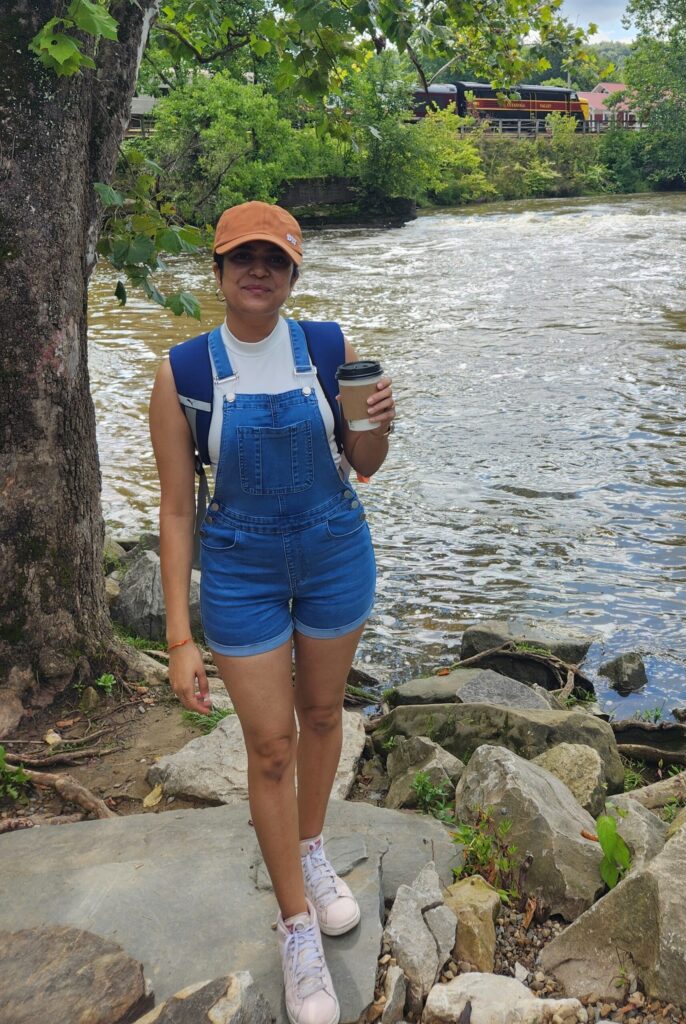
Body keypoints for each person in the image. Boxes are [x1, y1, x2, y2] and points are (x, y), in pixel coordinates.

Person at [149, 201, 395, 1024]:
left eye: (276, 260)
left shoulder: (327, 349)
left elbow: (365, 466)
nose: (259, 270)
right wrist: (180, 635)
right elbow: (178, 510)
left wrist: (380, 427)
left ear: (294, 275)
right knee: (272, 747)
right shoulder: (183, 372)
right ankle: (296, 928)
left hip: (333, 550)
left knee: (323, 716)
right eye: (242, 257)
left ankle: (313, 849)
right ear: (217, 273)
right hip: (240, 568)